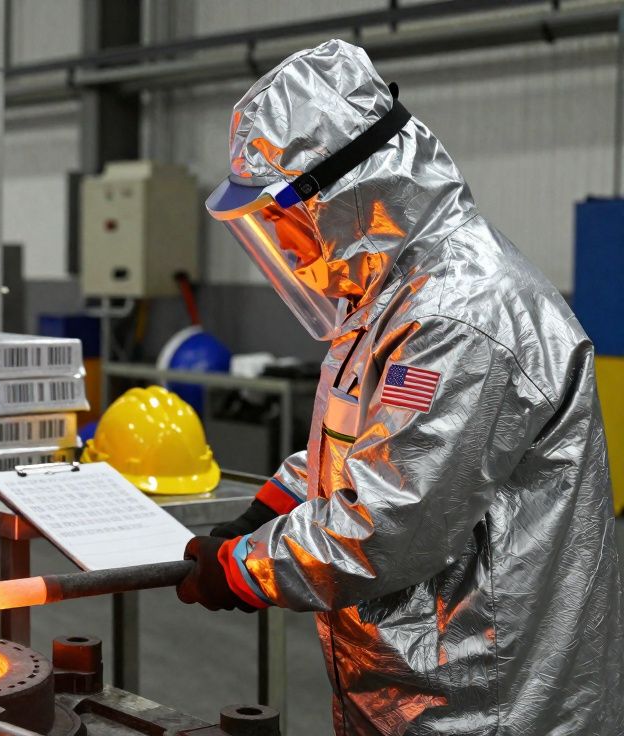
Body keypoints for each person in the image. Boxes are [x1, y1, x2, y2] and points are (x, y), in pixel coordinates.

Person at [176, 39, 623, 734]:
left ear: (344, 193)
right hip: (411, 690)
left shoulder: (462, 316)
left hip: (485, 705)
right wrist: (270, 505)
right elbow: (367, 448)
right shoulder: (392, 298)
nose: (289, 249)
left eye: (285, 221)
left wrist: (243, 568)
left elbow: (388, 527)